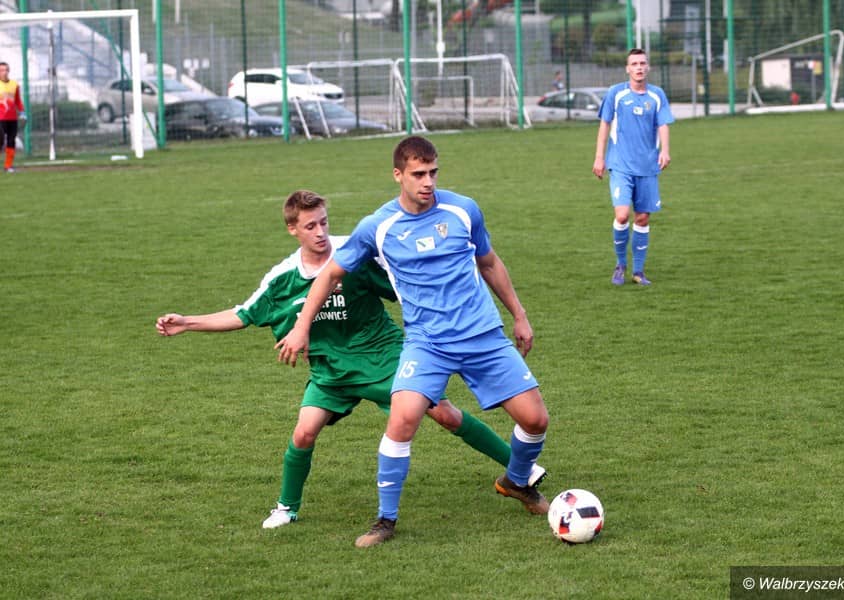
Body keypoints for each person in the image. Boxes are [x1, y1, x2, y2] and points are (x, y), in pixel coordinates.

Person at [155, 190, 543, 530]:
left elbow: (404, 282)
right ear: (292, 230)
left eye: (324, 222)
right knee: (304, 432)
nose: (320, 232)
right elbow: (243, 314)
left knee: (443, 412)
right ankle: (286, 508)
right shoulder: (283, 277)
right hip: (332, 371)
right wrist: (188, 322)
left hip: (382, 356)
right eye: (310, 226)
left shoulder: (355, 254)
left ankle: (519, 471)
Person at [277, 137, 550, 548]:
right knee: (402, 421)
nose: (428, 182)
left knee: (536, 420)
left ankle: (516, 481)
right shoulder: (378, 227)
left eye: (433, 172)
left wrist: (520, 314)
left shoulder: (463, 210)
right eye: (419, 174)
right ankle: (385, 521)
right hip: (427, 343)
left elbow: (489, 262)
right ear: (398, 175)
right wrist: (301, 327)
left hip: (481, 334)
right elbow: (331, 274)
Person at [592, 48, 674, 286]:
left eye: (642, 63)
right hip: (620, 165)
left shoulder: (657, 95)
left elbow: (663, 124)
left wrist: (665, 150)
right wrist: (599, 157)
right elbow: (604, 125)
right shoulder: (616, 93)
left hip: (647, 166)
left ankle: (638, 271)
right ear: (627, 69)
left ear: (648, 67)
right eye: (634, 64)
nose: (639, 67)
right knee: (622, 215)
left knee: (643, 218)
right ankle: (620, 265)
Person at [0, 62, 26, 174]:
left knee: (11, 141)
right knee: (0, 141)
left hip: (12, 118)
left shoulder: (14, 85)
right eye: (2, 70)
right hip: (0, 118)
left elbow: (18, 101)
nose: (4, 72)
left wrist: (22, 111)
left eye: (6, 70)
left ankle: (8, 166)